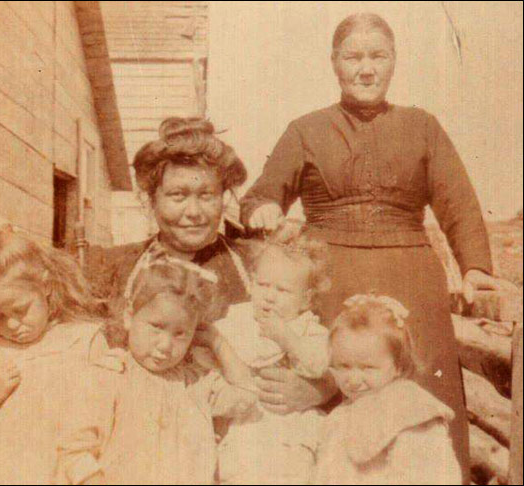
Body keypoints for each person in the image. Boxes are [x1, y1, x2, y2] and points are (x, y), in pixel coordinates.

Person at [240, 13, 515, 482]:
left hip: (411, 277)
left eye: (378, 56)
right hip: (329, 276)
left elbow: (459, 203)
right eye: (353, 57)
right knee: (336, 380)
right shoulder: (306, 129)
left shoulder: (423, 127)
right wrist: (262, 209)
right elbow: (260, 195)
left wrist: (475, 268)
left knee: (421, 393)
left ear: (393, 63)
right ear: (334, 64)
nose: (366, 69)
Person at [86, 117, 337, 421]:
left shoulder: (258, 265)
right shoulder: (113, 268)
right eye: (178, 196)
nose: (193, 212)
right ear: (150, 200)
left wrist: (320, 389)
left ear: (223, 197)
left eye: (206, 195)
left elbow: (335, 348)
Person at [0, 224, 113, 485]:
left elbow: (110, 414)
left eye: (21, 310)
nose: (11, 324)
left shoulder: (82, 342)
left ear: (46, 287)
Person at [57, 262, 256, 485]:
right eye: (156, 327)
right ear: (129, 317)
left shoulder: (198, 383)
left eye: (180, 334)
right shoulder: (110, 374)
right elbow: (74, 450)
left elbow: (246, 395)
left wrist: (217, 342)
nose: (165, 345)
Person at [210, 224, 331, 485]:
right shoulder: (237, 318)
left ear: (306, 299)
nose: (270, 297)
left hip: (292, 427)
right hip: (243, 424)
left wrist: (287, 338)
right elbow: (211, 356)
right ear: (251, 283)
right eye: (263, 285)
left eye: (283, 290)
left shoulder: (309, 328)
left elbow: (319, 366)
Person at [313, 294, 461, 484]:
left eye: (368, 367)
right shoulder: (341, 415)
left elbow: (428, 474)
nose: (354, 380)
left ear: (398, 365)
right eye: (344, 366)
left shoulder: (409, 411)